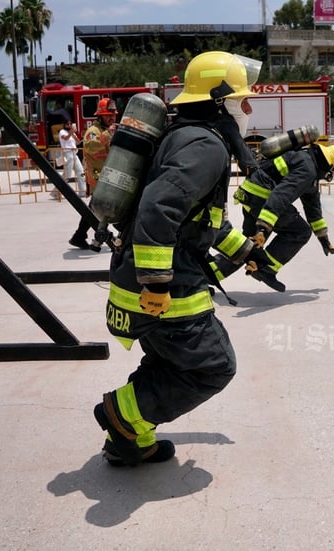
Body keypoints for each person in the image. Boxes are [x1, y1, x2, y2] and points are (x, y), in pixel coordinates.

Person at [92, 51, 264, 467]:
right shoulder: (205, 145)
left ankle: (129, 441)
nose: (248, 108)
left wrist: (244, 251)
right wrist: (157, 283)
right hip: (164, 293)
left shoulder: (184, 135)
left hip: (138, 282)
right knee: (212, 366)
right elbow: (157, 208)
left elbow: (201, 219)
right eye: (242, 99)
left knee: (169, 364)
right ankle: (122, 415)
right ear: (219, 100)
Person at [210, 142, 334, 292]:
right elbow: (281, 196)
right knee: (300, 232)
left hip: (250, 196)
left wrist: (324, 239)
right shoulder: (307, 170)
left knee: (245, 249)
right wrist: (263, 228)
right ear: (331, 167)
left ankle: (201, 280)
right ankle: (266, 269)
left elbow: (313, 208)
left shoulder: (307, 163)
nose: (333, 177)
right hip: (263, 201)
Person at [68, 98, 117, 250]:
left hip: (108, 177)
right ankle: (106, 235)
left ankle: (80, 236)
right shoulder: (93, 132)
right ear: (100, 116)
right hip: (98, 177)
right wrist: (108, 135)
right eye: (108, 115)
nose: (112, 118)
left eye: (113, 115)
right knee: (104, 208)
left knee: (95, 209)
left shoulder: (112, 129)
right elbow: (90, 147)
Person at [58, 119, 86, 196]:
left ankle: (82, 191)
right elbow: (66, 138)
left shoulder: (72, 133)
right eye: (68, 124)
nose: (69, 125)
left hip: (74, 153)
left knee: (81, 172)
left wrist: (82, 136)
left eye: (70, 124)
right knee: (67, 174)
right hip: (67, 153)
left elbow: (78, 142)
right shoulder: (62, 132)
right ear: (64, 125)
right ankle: (57, 192)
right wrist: (71, 132)